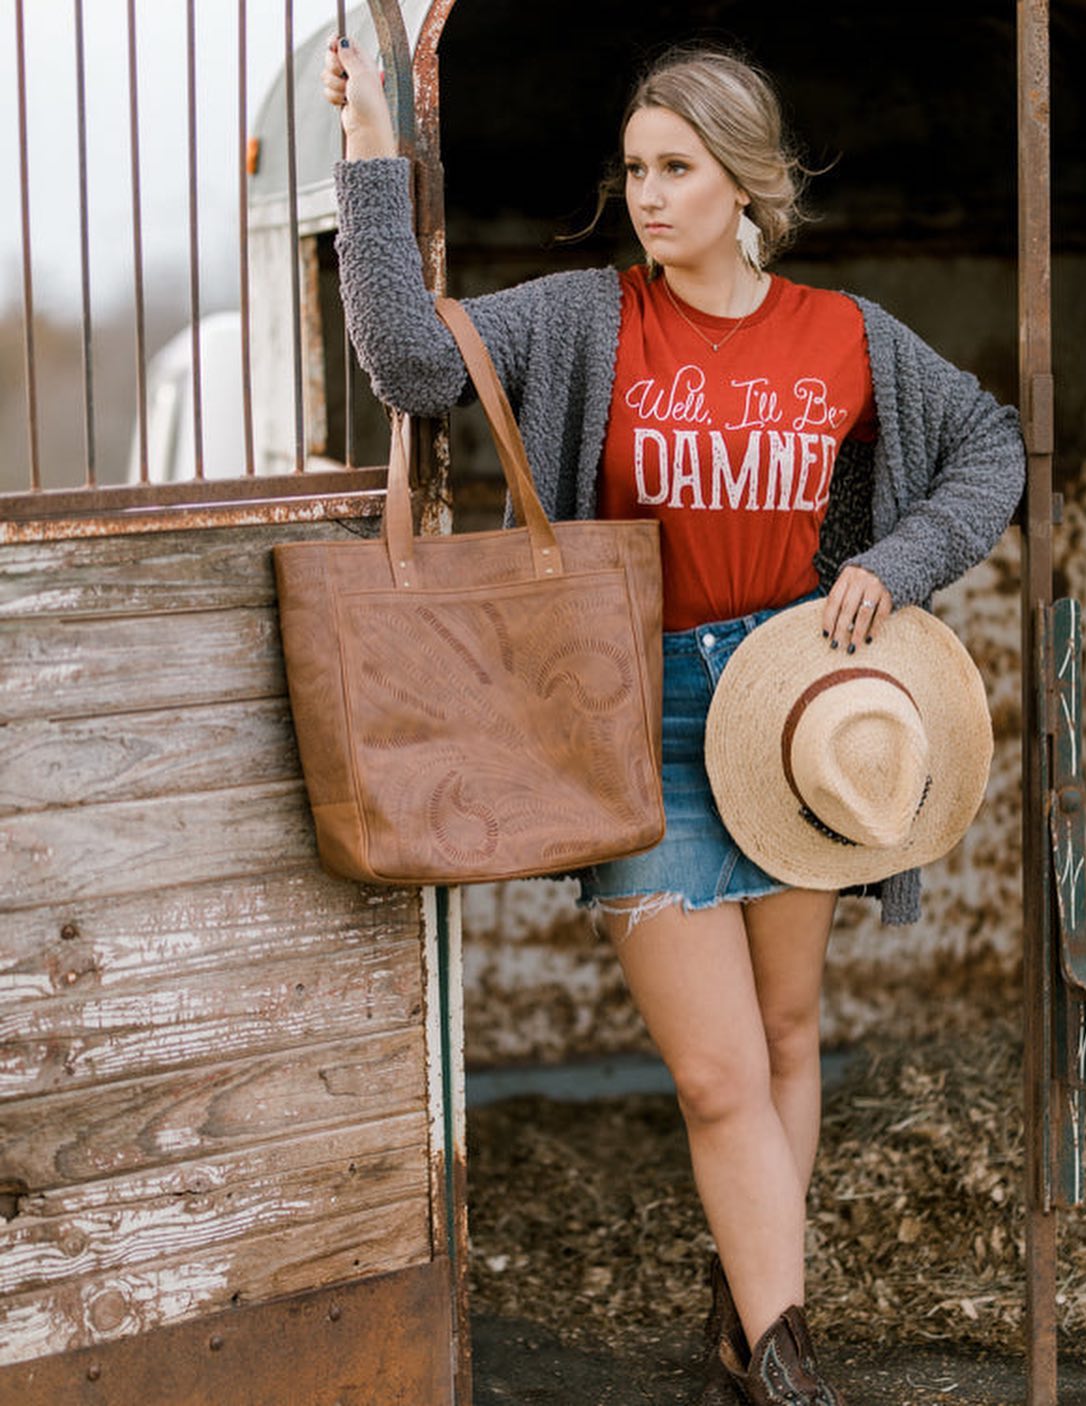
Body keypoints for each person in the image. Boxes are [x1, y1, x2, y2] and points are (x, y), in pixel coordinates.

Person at [321, 37, 1025, 1406]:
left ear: (746, 182)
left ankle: (744, 1321)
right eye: (636, 168)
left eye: (676, 169)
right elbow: (410, 364)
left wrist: (899, 560)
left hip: (794, 712)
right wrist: (369, 142)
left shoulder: (846, 334)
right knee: (713, 1074)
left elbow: (989, 440)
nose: (647, 194)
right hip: (645, 718)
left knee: (784, 1036)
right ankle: (788, 1373)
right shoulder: (588, 318)